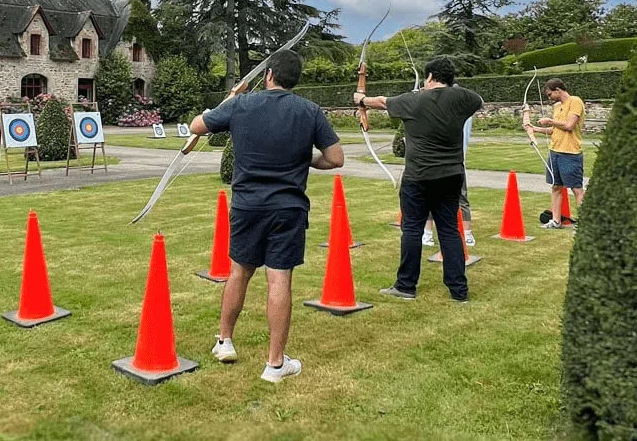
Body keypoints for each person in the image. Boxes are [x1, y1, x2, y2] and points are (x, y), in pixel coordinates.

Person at [188, 49, 345, 383]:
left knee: (238, 272)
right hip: (288, 208)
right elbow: (335, 158)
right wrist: (306, 161)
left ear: (269, 74)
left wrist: (229, 102)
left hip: (247, 206)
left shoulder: (242, 104)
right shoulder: (310, 111)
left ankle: (225, 341)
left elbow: (196, 125)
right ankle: (275, 364)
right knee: (279, 279)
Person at [354, 56, 483, 302]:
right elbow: (479, 100)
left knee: (412, 229)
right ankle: (459, 290)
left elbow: (382, 102)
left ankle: (406, 286)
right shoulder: (464, 98)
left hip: (419, 176)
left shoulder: (413, 100)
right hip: (451, 175)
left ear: (431, 77)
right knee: (449, 230)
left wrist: (361, 100)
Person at [523, 77, 585, 229]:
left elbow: (569, 126)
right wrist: (535, 129)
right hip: (555, 151)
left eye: (550, 94)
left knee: (576, 188)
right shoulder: (557, 107)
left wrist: (550, 121)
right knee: (556, 186)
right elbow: (554, 130)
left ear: (558, 90)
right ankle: (556, 221)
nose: (549, 98)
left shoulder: (575, 101)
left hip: (570, 152)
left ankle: (585, 222)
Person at [423, 99, 475, 247]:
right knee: (461, 198)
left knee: (432, 197)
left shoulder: (447, 114)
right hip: (457, 163)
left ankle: (428, 234)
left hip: (441, 163)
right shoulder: (465, 113)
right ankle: (467, 234)